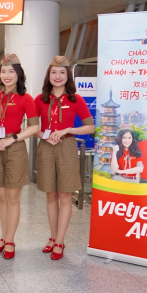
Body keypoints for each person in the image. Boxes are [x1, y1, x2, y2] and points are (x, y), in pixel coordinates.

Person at [34, 56, 95, 260]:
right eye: (54, 72)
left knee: (65, 195)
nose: (58, 76)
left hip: (67, 146)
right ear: (48, 75)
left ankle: (60, 241)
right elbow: (32, 128)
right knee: (50, 195)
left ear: (68, 76)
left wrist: (69, 129)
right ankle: (53, 237)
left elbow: (90, 127)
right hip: (46, 147)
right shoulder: (40, 99)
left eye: (62, 72)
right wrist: (45, 136)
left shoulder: (76, 99)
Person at [0, 54, 39, 259]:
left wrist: (12, 139)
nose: (7, 75)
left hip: (15, 148)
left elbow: (34, 127)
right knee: (2, 198)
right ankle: (3, 238)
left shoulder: (26, 98)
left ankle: (10, 240)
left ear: (18, 74)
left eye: (11, 71)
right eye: (3, 71)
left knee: (13, 198)